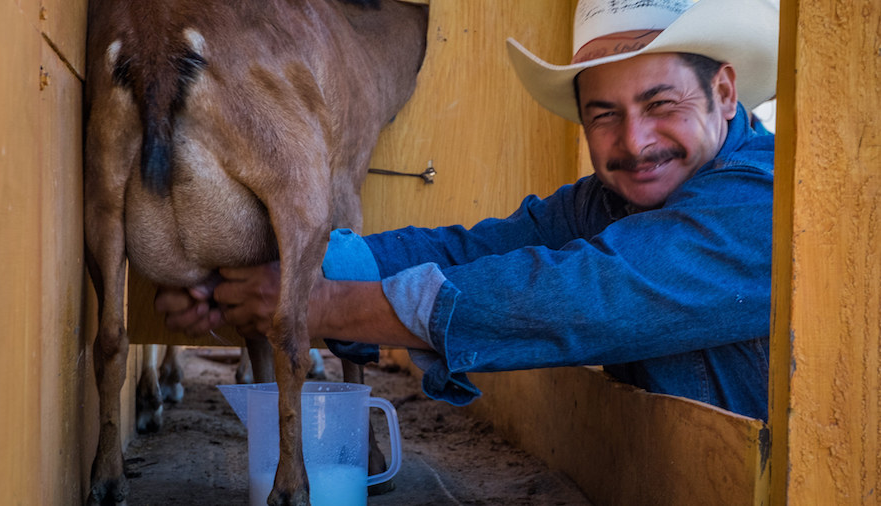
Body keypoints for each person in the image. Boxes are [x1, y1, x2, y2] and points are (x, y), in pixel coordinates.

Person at [155, 0, 779, 420]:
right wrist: (274, 270)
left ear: (724, 94)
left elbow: (590, 295)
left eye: (661, 104)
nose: (635, 142)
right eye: (604, 115)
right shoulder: (612, 200)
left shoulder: (762, 203)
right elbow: (476, 249)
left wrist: (315, 303)